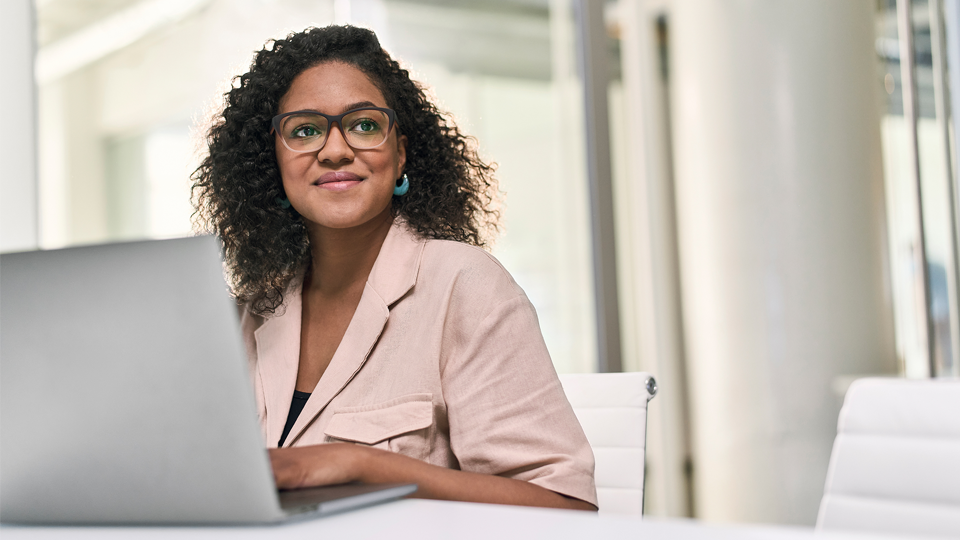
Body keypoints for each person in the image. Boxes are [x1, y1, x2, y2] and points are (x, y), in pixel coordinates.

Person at [192, 25, 597, 511]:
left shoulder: (464, 286)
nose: (336, 149)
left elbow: (566, 506)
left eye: (364, 124)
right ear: (272, 165)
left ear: (400, 154)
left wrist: (361, 466)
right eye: (304, 130)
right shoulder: (247, 314)